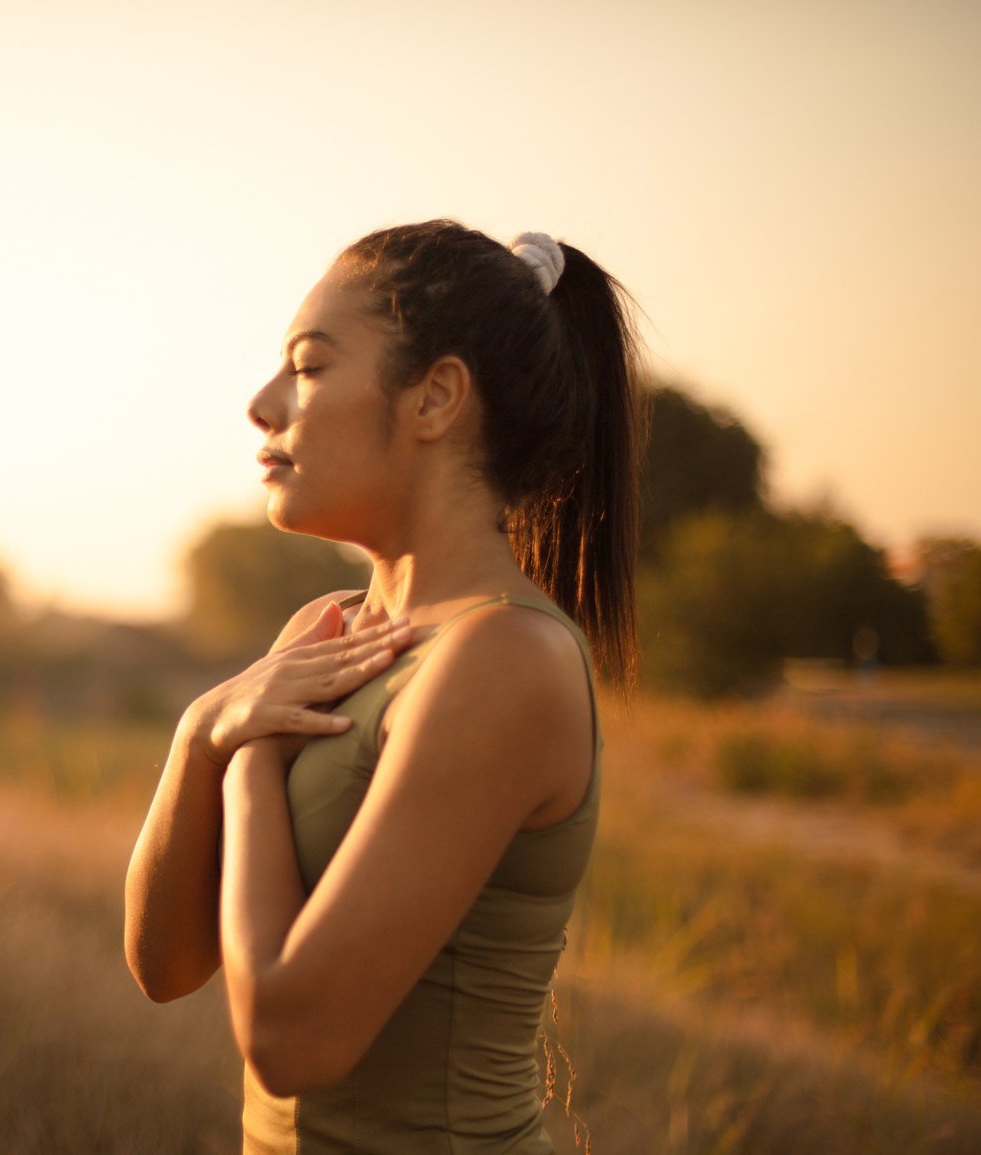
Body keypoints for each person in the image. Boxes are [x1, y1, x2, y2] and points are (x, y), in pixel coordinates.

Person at [124, 219, 642, 1153]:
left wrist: (248, 761)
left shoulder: (503, 657)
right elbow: (164, 964)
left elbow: (290, 1037)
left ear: (436, 397)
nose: (261, 403)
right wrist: (202, 731)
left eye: (310, 367)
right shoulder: (323, 635)